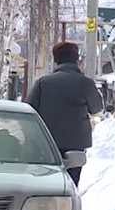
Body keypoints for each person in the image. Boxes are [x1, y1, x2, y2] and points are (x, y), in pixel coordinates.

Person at [25, 42, 103, 186]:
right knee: (71, 183)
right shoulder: (86, 83)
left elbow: (28, 109)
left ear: (56, 60)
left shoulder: (43, 83)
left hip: (47, 143)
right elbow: (96, 107)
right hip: (76, 144)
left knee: (47, 183)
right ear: (76, 59)